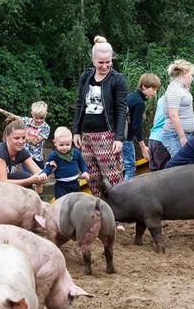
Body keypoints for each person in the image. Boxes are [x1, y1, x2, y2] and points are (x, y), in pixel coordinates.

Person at [72, 36, 128, 199]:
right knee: (93, 178)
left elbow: (121, 110)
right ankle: (101, 214)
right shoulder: (86, 76)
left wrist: (119, 138)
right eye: (100, 62)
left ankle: (119, 218)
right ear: (93, 60)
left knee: (112, 178)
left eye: (108, 62)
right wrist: (76, 131)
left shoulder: (117, 79)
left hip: (107, 134)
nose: (104, 66)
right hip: (87, 135)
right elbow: (79, 103)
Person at [0, 101, 51, 193]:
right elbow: (12, 116)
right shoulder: (26, 121)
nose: (39, 120)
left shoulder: (46, 127)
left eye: (42, 118)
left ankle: (39, 198)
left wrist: (20, 138)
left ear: (46, 115)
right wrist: (0, 110)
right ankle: (27, 194)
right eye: (36, 118)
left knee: (39, 179)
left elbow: (35, 142)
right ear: (32, 114)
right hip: (24, 155)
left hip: (37, 156)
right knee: (28, 177)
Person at [123, 73, 161, 180]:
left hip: (118, 136)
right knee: (130, 167)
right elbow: (136, 126)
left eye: (156, 89)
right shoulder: (139, 103)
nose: (155, 92)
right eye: (153, 88)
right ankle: (127, 193)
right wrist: (143, 146)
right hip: (126, 138)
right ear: (144, 86)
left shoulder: (131, 96)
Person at [42, 127, 90, 199]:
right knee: (61, 203)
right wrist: (44, 173)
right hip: (61, 185)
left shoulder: (76, 153)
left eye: (68, 144)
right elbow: (49, 166)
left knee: (75, 202)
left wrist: (85, 172)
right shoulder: (53, 155)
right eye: (61, 145)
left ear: (71, 142)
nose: (65, 147)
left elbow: (82, 164)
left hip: (74, 183)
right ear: (55, 143)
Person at [162, 59, 194, 157]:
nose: (192, 78)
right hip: (175, 135)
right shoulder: (175, 90)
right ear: (184, 73)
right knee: (181, 168)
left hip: (180, 134)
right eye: (192, 75)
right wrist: (182, 137)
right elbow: (173, 115)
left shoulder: (181, 88)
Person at [147, 95, 171, 171]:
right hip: (163, 140)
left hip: (152, 138)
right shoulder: (175, 97)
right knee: (165, 173)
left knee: (153, 174)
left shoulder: (162, 98)